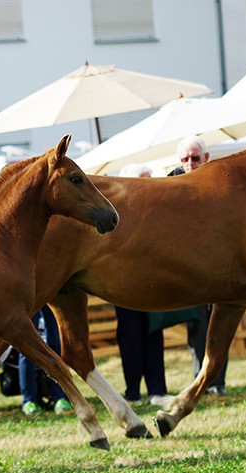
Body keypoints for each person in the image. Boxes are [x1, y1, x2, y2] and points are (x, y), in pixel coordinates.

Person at [165, 136, 226, 395]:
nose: (190, 163)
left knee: (220, 324)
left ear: (206, 158)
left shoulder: (219, 181)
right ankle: (199, 379)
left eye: (195, 158)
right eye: (185, 159)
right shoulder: (170, 184)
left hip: (220, 265)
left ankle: (218, 382)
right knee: (197, 327)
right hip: (190, 269)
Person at [113, 163, 168, 405]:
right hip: (123, 283)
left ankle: (157, 390)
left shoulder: (156, 212)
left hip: (153, 283)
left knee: (154, 332)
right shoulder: (117, 213)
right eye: (143, 180)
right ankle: (133, 391)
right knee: (130, 335)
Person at [18, 306, 73, 416]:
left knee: (55, 343)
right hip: (28, 295)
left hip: (49, 295)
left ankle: (60, 397)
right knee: (27, 346)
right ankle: (29, 401)